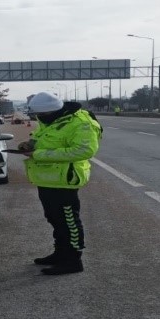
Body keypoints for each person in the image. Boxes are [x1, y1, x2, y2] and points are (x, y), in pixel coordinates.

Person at [17, 92, 102, 275]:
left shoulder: (81, 123)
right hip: (47, 179)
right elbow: (41, 137)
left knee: (68, 221)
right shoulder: (51, 120)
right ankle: (60, 253)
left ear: (52, 111)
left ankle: (73, 260)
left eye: (42, 116)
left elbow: (84, 151)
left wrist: (39, 155)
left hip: (65, 180)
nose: (40, 119)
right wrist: (30, 144)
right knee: (54, 218)